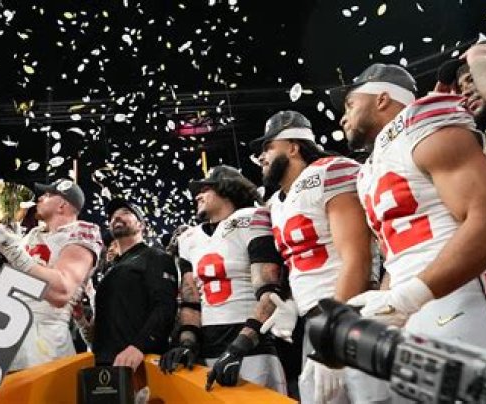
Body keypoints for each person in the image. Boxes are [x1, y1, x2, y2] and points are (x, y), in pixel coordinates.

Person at [330, 63, 486, 352]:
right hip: (418, 306)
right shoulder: (369, 170)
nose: (343, 118)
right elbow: (397, 258)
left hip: (467, 295)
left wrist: (408, 297)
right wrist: (376, 313)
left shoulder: (422, 124)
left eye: (350, 104)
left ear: (382, 99)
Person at [252, 110, 389, 403]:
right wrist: (294, 303)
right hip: (315, 322)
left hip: (351, 313)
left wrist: (334, 330)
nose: (262, 157)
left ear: (293, 146)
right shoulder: (275, 203)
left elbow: (357, 257)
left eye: (269, 147)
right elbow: (299, 263)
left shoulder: (330, 172)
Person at [159, 165, 287, 394]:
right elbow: (191, 301)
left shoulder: (251, 219)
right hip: (208, 351)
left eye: (205, 189)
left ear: (227, 188)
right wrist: (187, 343)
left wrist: (239, 347)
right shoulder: (188, 239)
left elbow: (270, 293)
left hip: (252, 349)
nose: (197, 196)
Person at [0, 178, 102, 369]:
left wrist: (14, 251)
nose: (40, 198)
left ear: (62, 205)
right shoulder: (33, 234)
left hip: (45, 340)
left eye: (48, 195)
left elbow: (61, 291)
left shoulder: (80, 232)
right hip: (5, 332)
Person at [87, 198, 178, 369]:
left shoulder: (155, 257)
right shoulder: (110, 270)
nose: (116, 217)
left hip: (138, 362)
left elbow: (165, 307)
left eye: (125, 213)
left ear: (141, 225)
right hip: (104, 363)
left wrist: (140, 346)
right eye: (113, 216)